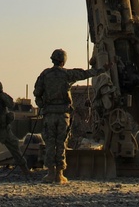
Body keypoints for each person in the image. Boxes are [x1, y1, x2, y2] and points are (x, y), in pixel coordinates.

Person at [33, 48, 106, 184]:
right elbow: (84, 74)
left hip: (49, 114)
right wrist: (101, 70)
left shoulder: (45, 74)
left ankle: (50, 174)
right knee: (61, 143)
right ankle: (59, 175)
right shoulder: (67, 74)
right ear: (63, 61)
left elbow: (37, 92)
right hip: (63, 115)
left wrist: (42, 104)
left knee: (50, 143)